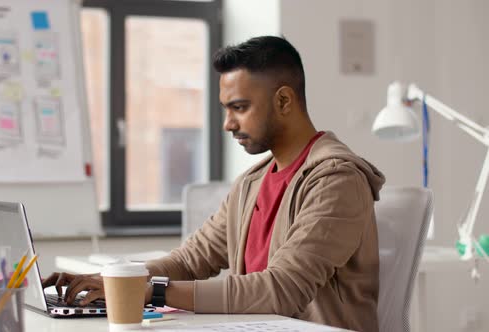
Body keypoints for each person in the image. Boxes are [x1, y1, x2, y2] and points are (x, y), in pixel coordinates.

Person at [43, 36, 385, 331]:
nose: (227, 124)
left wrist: (152, 291)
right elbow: (191, 260)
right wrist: (118, 279)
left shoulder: (337, 180)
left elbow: (281, 290)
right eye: (226, 109)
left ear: (283, 101)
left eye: (239, 107)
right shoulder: (253, 182)